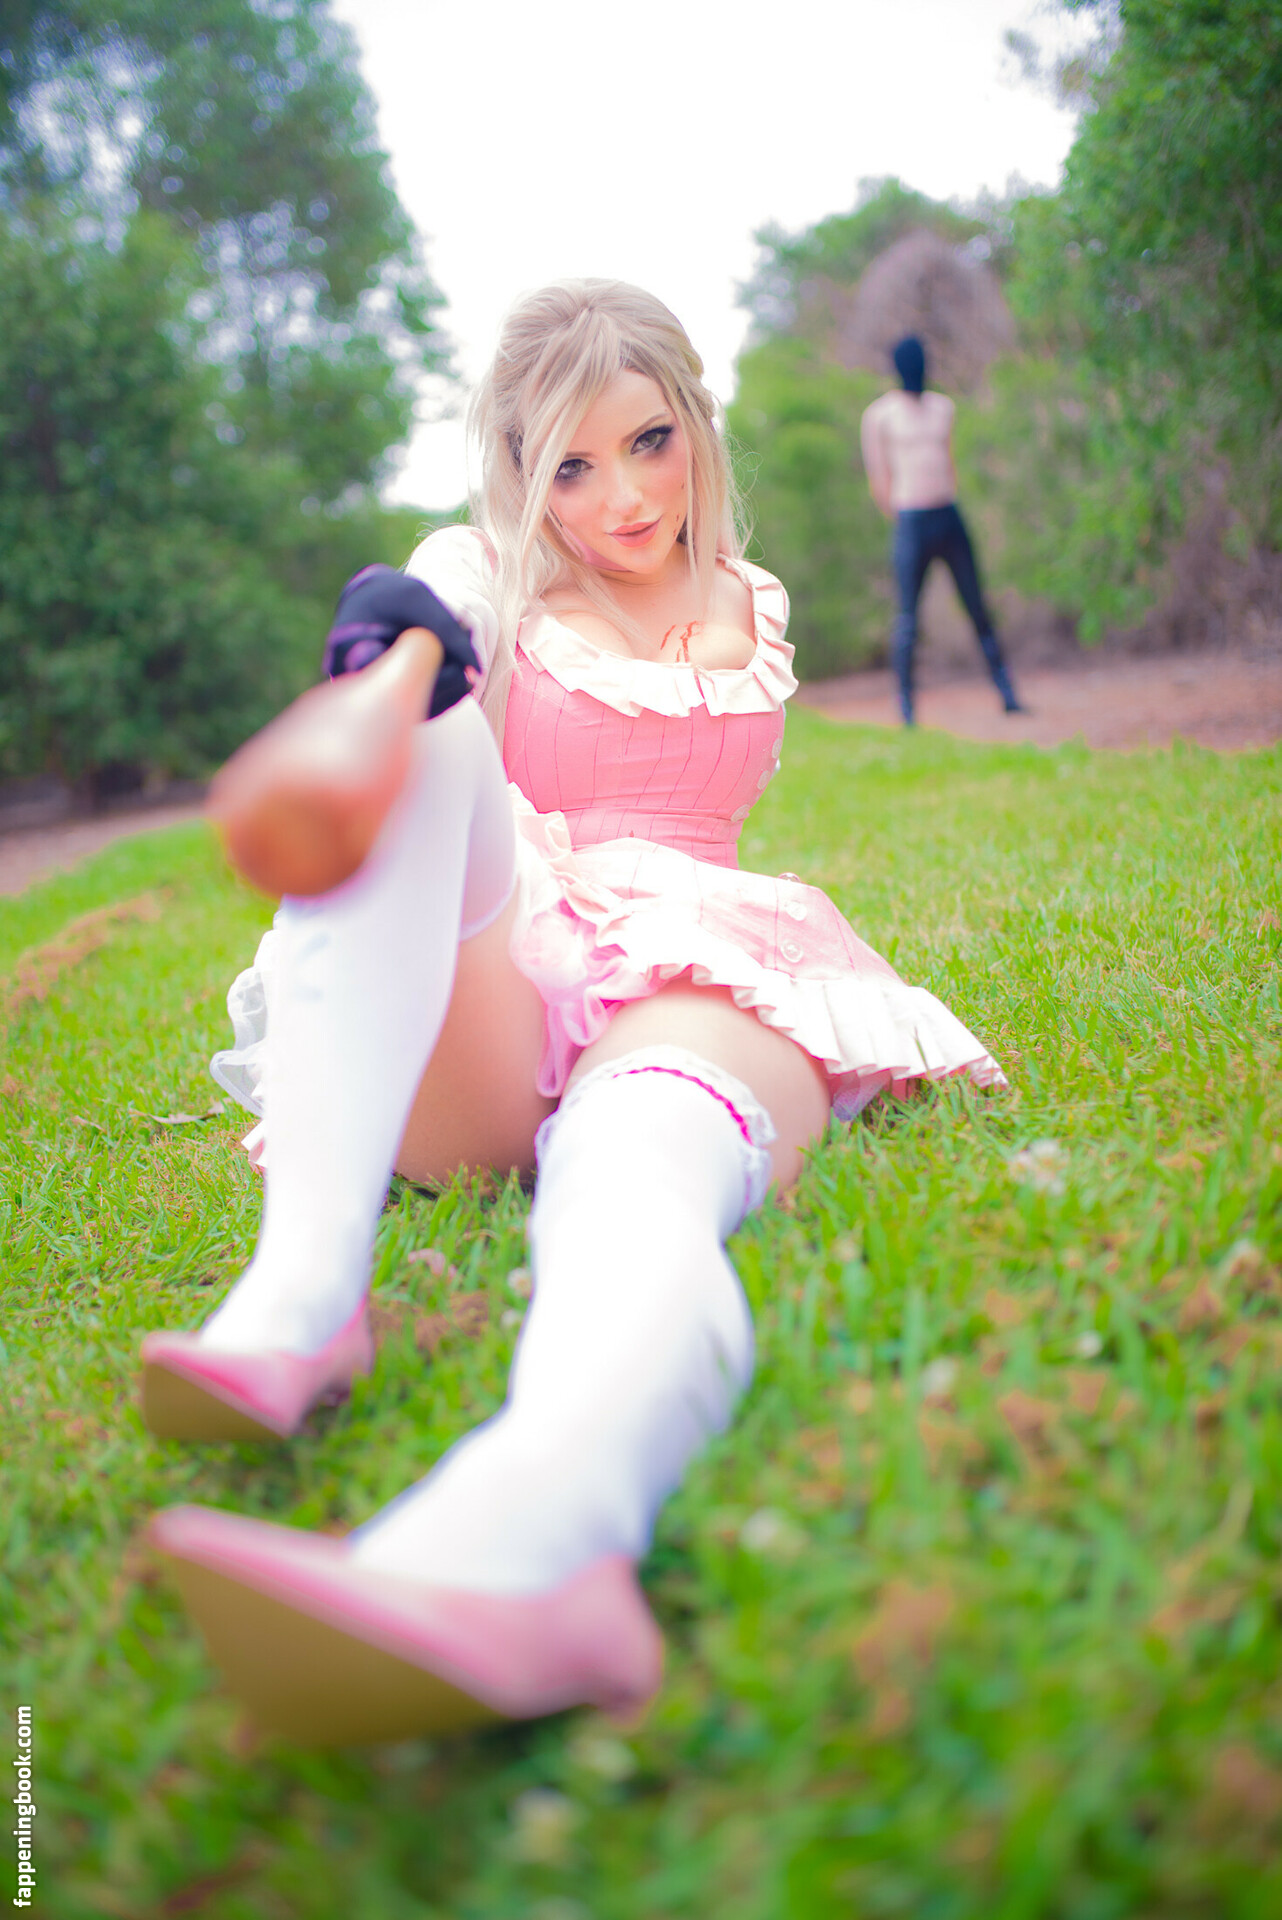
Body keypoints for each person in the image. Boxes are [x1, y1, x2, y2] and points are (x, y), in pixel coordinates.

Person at [142, 282, 1006, 1749]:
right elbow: (437, 604)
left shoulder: (751, 595)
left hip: (696, 966)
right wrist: (397, 652)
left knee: (633, 1181)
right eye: (573, 468)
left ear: (696, 422)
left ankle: (533, 1536)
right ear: (522, 477)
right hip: (510, 975)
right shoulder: (489, 574)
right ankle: (301, 1298)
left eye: (650, 442)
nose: (622, 499)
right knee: (432, 726)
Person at [860, 335, 1024, 726]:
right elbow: (879, 477)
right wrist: (900, 516)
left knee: (977, 606)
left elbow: (948, 461)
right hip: (910, 520)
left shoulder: (942, 408)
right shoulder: (880, 415)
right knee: (907, 618)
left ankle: (1007, 693)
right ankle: (906, 709)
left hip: (948, 516)